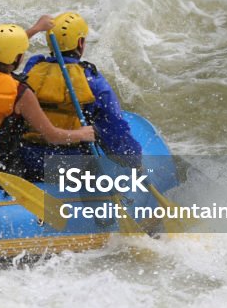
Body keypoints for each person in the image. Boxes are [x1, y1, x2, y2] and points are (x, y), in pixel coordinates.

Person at [0, 18, 96, 188]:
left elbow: (1, 50)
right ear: (18, 57)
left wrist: (34, 29)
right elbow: (52, 136)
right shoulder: (21, 93)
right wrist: (82, 134)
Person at [20, 11, 143, 181]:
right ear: (80, 42)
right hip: (70, 166)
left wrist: (33, 29)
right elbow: (114, 129)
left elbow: (11, 52)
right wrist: (134, 160)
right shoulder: (92, 80)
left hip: (26, 158)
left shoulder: (32, 66)